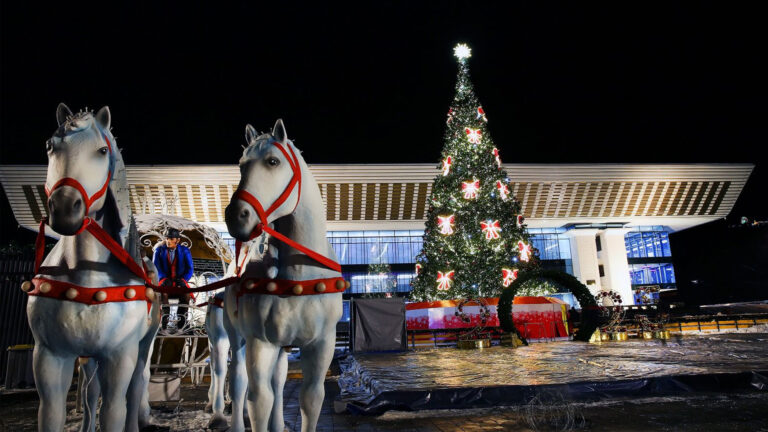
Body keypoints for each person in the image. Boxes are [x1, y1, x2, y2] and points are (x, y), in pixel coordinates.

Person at [153, 228, 195, 331]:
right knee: (163, 294)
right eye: (167, 238)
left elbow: (190, 268)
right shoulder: (159, 250)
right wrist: (162, 278)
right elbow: (155, 267)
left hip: (179, 283)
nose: (168, 241)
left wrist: (184, 279)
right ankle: (164, 324)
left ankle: (182, 324)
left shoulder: (185, 251)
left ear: (178, 240)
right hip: (165, 283)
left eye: (171, 238)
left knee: (186, 296)